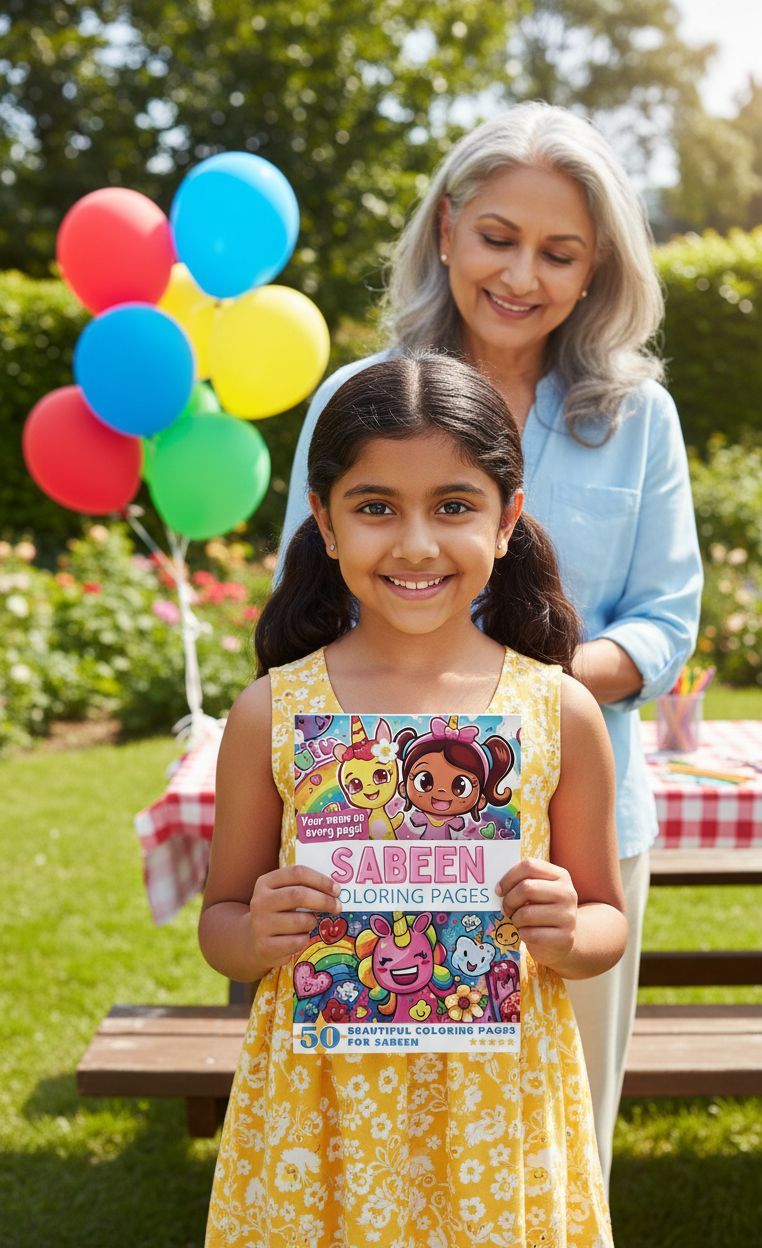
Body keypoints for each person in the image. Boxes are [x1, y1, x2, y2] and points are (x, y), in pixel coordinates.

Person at [277, 102, 703, 1185]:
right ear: (448, 228)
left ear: (595, 265)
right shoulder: (359, 398)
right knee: (373, 1143)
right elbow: (305, 604)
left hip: (574, 834)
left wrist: (518, 699)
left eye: (558, 253)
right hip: (375, 826)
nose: (522, 275)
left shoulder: (637, 415)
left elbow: (663, 618)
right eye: (498, 237)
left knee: (553, 1147)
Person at [201, 354, 627, 1248]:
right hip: (322, 1116)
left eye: (455, 506)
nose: (417, 543)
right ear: (323, 520)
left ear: (509, 520)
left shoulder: (559, 710)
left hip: (497, 1113)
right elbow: (222, 927)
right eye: (375, 507)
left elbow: (604, 926)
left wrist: (566, 927)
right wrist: (254, 930)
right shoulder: (273, 712)